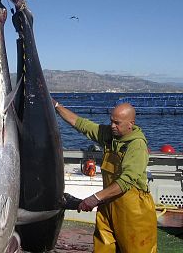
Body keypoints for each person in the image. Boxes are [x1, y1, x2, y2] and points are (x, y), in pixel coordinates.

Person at [53, 100, 157, 253]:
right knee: (103, 247)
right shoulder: (109, 135)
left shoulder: (137, 145)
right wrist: (56, 106)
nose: (112, 126)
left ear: (131, 124)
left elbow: (125, 181)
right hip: (107, 205)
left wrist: (95, 198)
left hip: (134, 211)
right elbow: (81, 124)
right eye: (111, 121)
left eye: (117, 123)